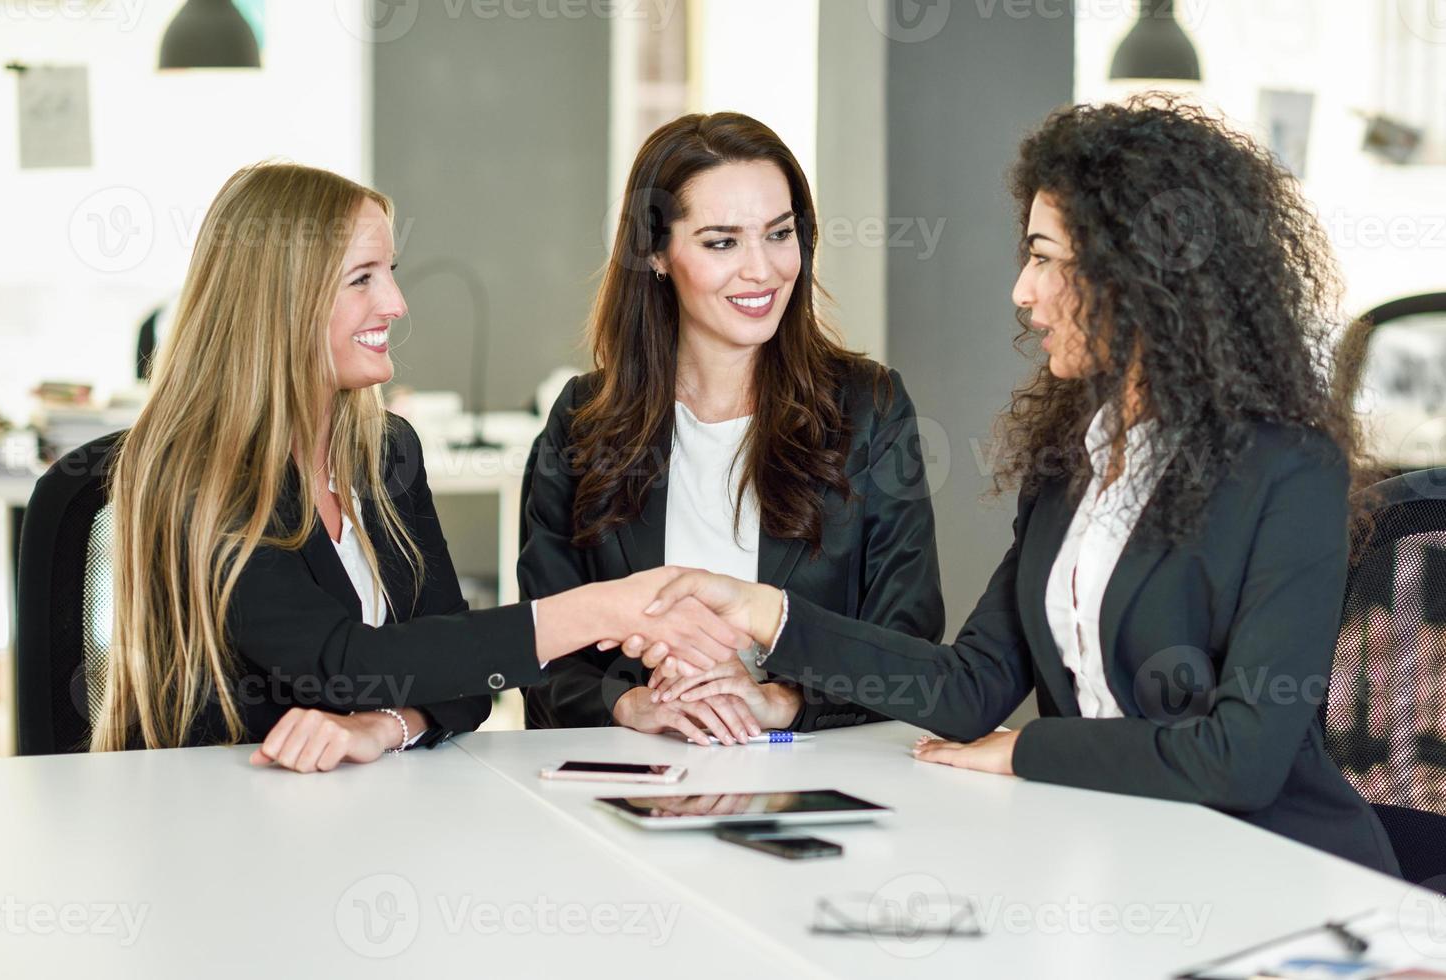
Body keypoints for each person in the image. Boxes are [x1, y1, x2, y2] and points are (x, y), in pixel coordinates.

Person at [633, 99, 1400, 874]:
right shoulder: (1076, 458)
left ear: (1132, 272)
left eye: (1043, 257)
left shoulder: (1288, 470)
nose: (1021, 292)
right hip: (1113, 854)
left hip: (1279, 873)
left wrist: (1029, 751)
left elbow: (1239, 759)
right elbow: (969, 687)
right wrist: (764, 613)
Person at [89, 162, 746, 771]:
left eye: (390, 272)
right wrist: (605, 610)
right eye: (362, 278)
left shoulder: (384, 452)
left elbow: (457, 673)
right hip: (217, 823)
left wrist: (385, 729)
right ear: (281, 302)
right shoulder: (199, 472)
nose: (396, 304)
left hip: (362, 815)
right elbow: (343, 663)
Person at [517, 112, 944, 745]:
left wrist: (779, 701)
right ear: (656, 254)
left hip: (815, 785)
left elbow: (907, 646)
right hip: (632, 780)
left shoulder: (869, 407)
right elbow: (538, 651)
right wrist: (628, 704)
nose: (762, 270)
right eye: (722, 242)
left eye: (779, 234)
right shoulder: (582, 421)